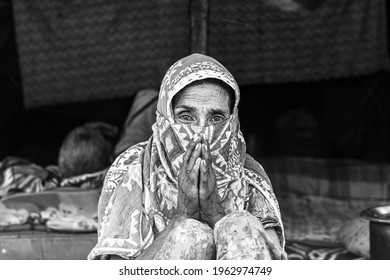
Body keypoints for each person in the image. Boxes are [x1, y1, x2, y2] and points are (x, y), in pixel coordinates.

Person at [88, 53, 287, 260]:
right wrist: (181, 217)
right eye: (186, 117)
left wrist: (216, 214)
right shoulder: (134, 169)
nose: (201, 131)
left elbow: (271, 266)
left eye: (216, 118)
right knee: (190, 235)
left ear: (233, 121)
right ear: (165, 117)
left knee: (239, 225)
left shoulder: (249, 176)